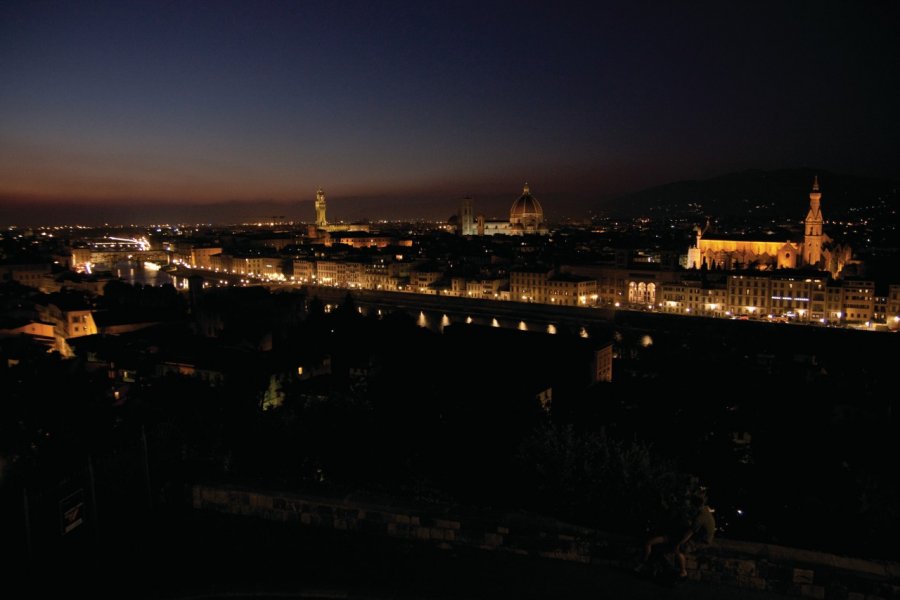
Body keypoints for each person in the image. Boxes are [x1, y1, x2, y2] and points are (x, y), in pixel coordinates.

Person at [637, 490, 716, 579]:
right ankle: (649, 565)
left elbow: (689, 533)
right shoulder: (704, 511)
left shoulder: (700, 518)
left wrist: (679, 544)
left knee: (677, 549)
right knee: (665, 544)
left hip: (700, 540)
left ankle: (682, 572)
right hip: (689, 536)